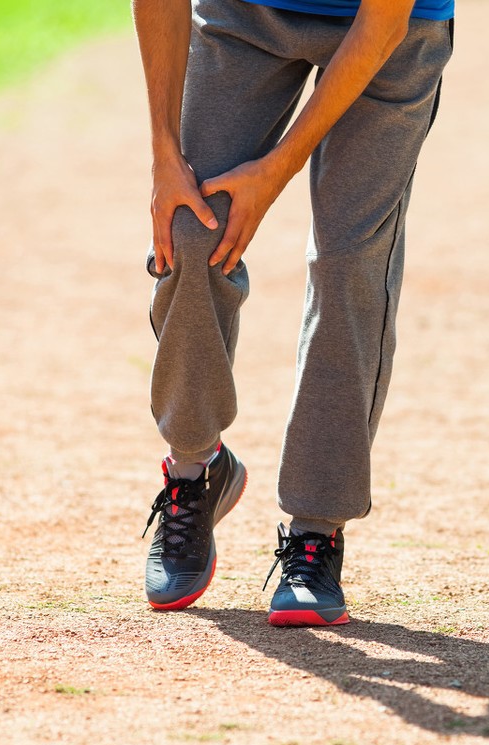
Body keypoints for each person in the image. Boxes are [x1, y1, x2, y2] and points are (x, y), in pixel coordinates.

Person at [131, 0, 453, 626]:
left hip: (393, 34)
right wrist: (163, 155)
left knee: (348, 264)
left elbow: (382, 22)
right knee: (192, 233)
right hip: (247, 14)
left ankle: (316, 531)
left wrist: (277, 169)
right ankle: (195, 469)